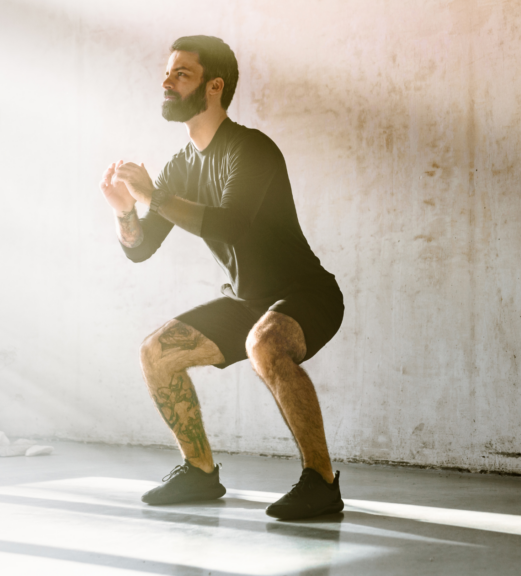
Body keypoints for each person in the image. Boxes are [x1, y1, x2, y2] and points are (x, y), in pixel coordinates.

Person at [97, 35, 344, 520]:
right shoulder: (180, 167)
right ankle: (200, 472)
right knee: (156, 353)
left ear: (214, 86)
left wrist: (153, 196)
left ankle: (322, 481)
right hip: (246, 302)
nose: (166, 81)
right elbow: (142, 248)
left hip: (306, 294)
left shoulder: (251, 149)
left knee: (264, 343)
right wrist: (126, 212)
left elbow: (232, 224)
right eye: (166, 72)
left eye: (181, 73)